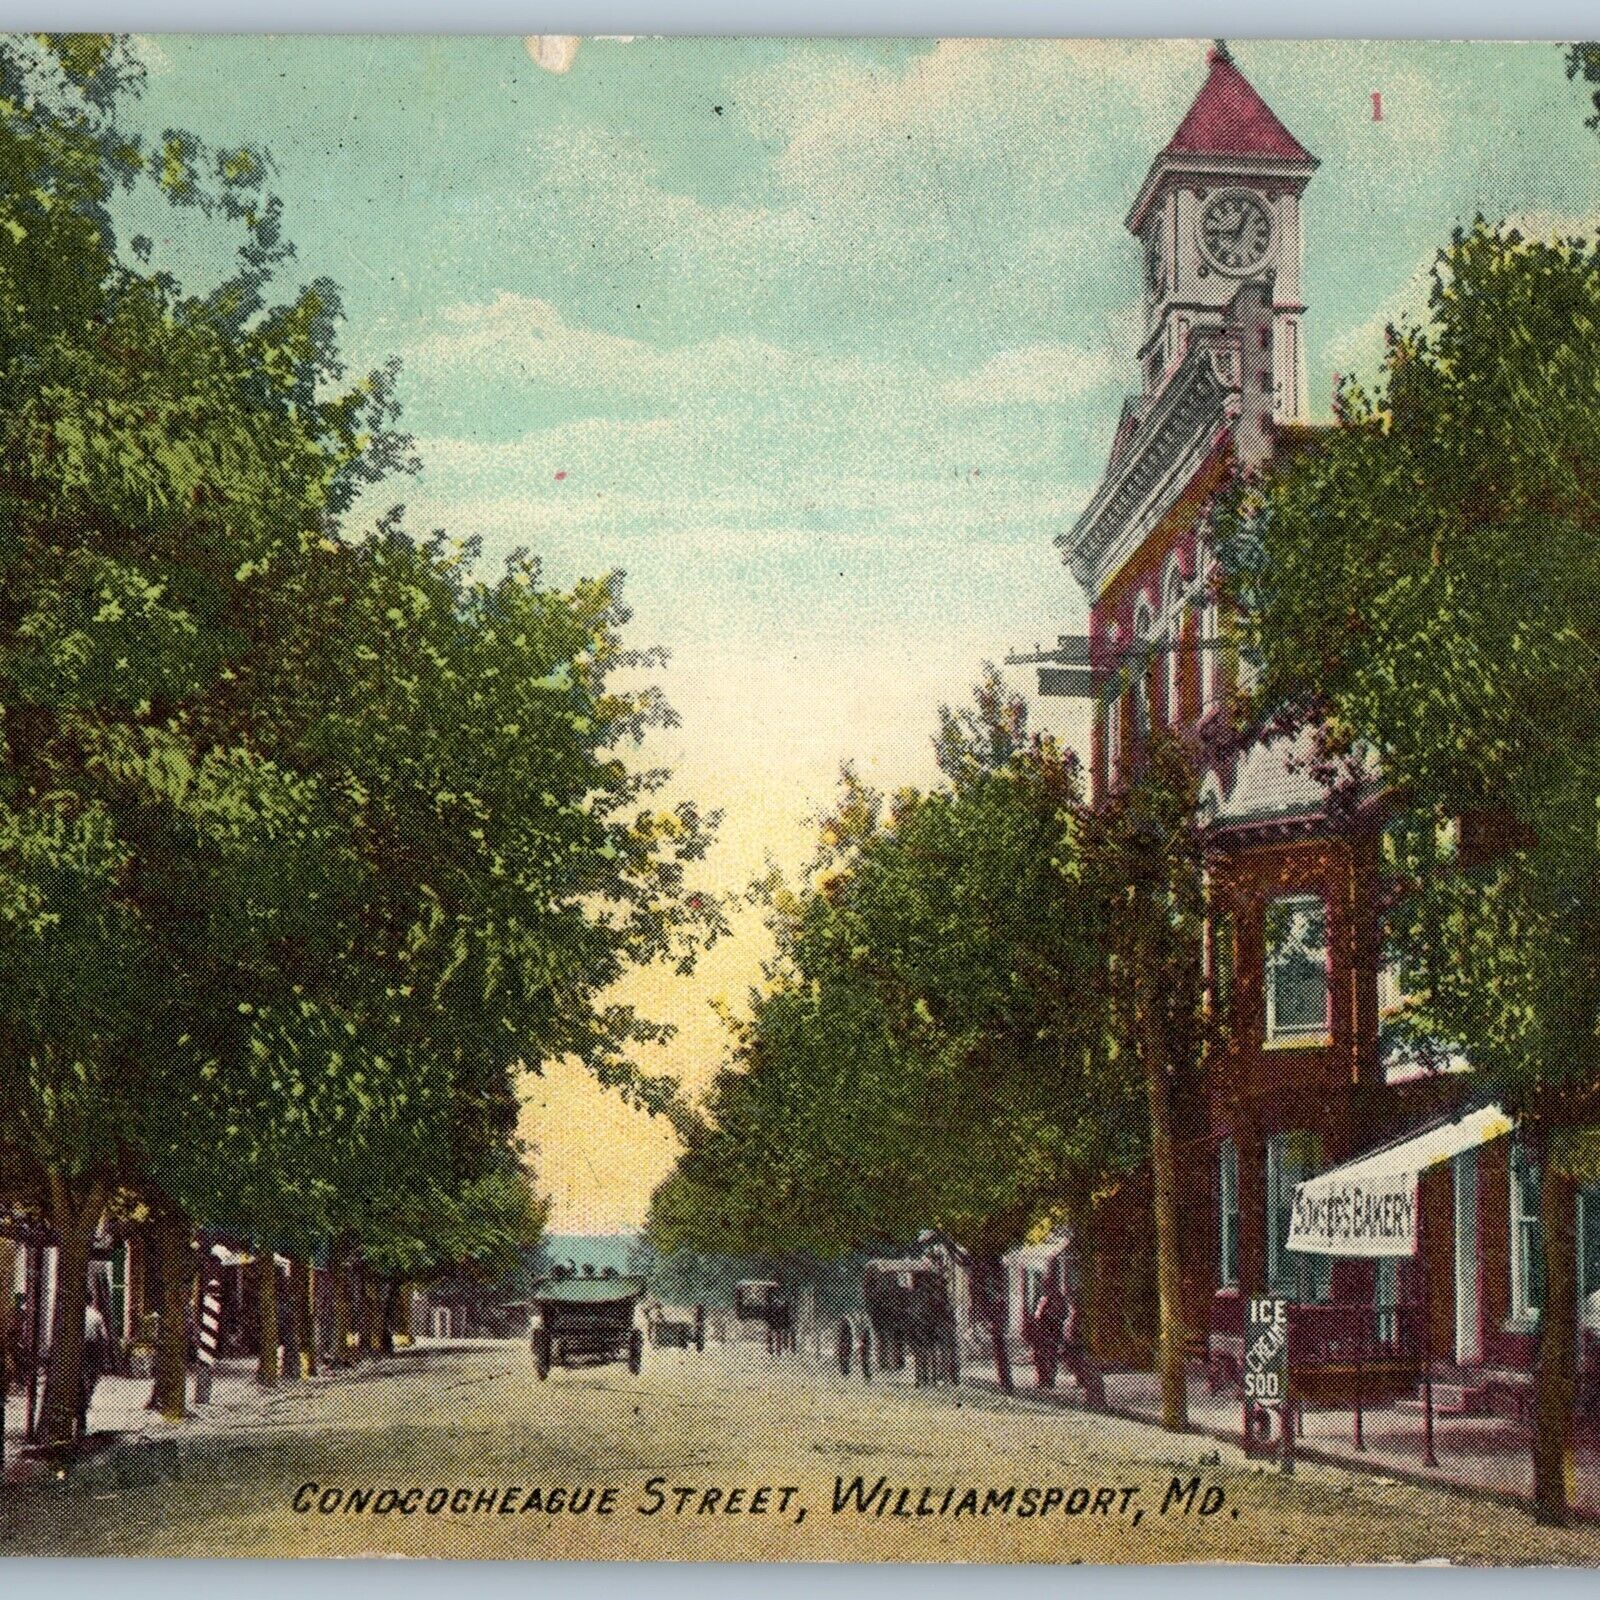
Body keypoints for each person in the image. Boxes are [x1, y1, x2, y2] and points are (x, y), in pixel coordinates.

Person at [78, 1299, 110, 1441]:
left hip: (76, 1349)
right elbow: (104, 1337)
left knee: (79, 1377)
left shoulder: (76, 1315)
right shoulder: (96, 1315)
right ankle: (86, 1399)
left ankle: (80, 1403)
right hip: (91, 1349)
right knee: (91, 1377)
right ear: (91, 1301)